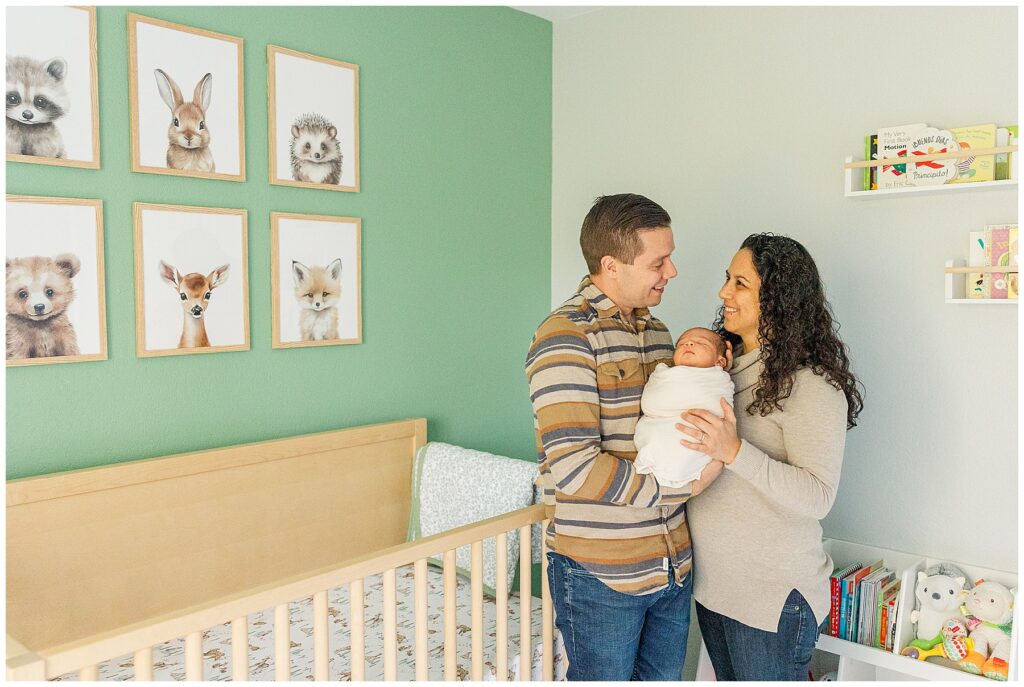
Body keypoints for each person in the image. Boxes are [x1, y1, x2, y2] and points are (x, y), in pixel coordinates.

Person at [525, 194, 726, 681]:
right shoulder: (565, 338)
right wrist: (682, 489)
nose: (672, 271)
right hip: (601, 574)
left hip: (671, 565)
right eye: (659, 260)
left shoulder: (661, 336)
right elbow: (575, 468)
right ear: (611, 265)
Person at [679, 233, 865, 681]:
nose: (724, 292)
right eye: (727, 279)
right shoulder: (717, 374)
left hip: (771, 598)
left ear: (779, 298)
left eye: (740, 283)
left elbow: (818, 496)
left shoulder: (810, 385)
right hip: (715, 588)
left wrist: (735, 451)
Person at [634, 327, 734, 487]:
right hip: (661, 432)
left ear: (720, 361)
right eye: (681, 344)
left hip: (694, 442)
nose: (689, 344)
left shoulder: (717, 381)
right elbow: (650, 403)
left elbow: (718, 406)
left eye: (701, 343)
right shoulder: (665, 376)